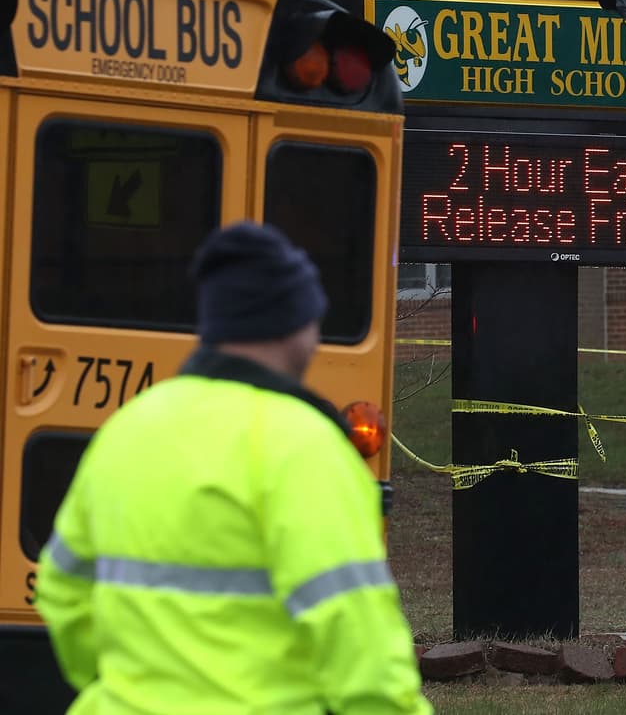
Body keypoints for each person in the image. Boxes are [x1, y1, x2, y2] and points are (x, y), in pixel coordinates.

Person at [35, 222, 432, 715]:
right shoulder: (302, 446)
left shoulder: (127, 429)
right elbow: (358, 636)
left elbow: (60, 585)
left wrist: (122, 681)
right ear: (296, 325)